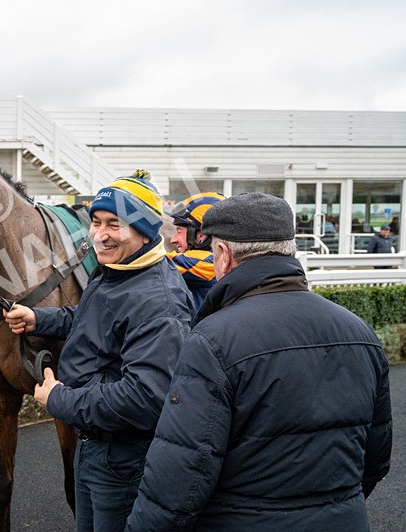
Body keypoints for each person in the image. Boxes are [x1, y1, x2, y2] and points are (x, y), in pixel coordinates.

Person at [126, 192, 392, 531]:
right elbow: (376, 459)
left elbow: (180, 476)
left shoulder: (214, 339)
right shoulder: (361, 333)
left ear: (222, 254)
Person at [4, 175, 193, 531]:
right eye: (96, 221)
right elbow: (91, 320)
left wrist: (60, 399)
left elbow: (144, 398)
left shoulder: (158, 302)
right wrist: (38, 319)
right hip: (92, 443)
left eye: (114, 224)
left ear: (144, 231)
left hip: (121, 458)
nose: (100, 234)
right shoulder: (119, 270)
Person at [166, 192, 225, 309]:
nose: (173, 239)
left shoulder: (206, 262)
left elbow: (148, 259)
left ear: (201, 235)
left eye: (179, 231)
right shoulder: (219, 259)